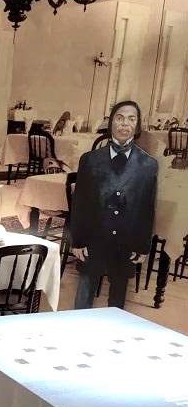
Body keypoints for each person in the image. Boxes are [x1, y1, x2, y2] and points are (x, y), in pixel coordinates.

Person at [70, 100, 158, 310]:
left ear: (137, 126)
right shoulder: (90, 160)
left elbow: (147, 208)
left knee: (117, 302)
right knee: (84, 295)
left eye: (131, 119)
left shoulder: (148, 165)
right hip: (93, 239)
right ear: (110, 124)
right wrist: (78, 240)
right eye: (119, 118)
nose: (124, 124)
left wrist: (142, 246)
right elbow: (80, 202)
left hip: (125, 243)